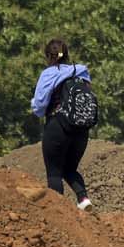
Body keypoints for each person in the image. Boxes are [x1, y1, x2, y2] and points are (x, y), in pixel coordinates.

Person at [29, 38, 92, 210]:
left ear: (49, 56)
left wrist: (33, 104)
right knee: (70, 168)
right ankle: (83, 198)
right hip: (81, 129)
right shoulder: (81, 71)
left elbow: (40, 106)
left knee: (54, 171)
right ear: (66, 54)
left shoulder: (48, 74)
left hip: (57, 125)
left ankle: (59, 212)